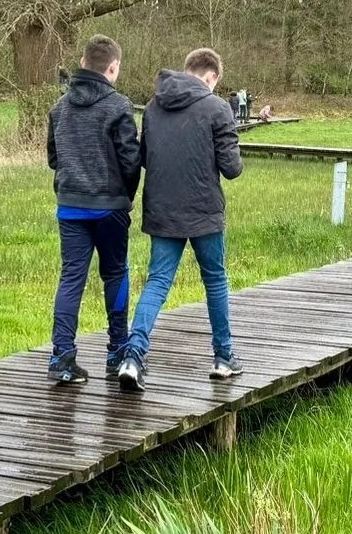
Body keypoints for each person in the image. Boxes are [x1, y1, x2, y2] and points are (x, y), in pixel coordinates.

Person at [115, 47, 243, 392]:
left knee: (157, 283)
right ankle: (224, 357)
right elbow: (232, 169)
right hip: (204, 212)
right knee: (215, 280)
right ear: (211, 76)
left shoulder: (155, 108)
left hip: (162, 210)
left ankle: (133, 357)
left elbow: (143, 158)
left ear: (188, 69)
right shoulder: (218, 107)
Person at [45, 35, 141, 385]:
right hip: (109, 206)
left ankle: (61, 356)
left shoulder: (59, 107)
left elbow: (54, 159)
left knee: (71, 277)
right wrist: (125, 196)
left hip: (70, 205)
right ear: (112, 68)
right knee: (115, 273)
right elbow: (131, 161)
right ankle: (117, 351)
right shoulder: (118, 106)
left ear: (82, 62)